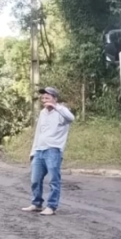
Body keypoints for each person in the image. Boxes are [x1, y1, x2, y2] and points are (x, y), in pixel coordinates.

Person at [23, 86, 75, 216]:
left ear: (55, 98)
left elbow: (71, 118)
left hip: (53, 150)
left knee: (54, 180)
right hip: (39, 150)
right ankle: (36, 203)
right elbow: (38, 132)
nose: (44, 98)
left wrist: (56, 107)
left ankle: (51, 206)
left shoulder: (61, 111)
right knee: (35, 179)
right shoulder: (42, 113)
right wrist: (33, 151)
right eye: (43, 96)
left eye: (48, 96)